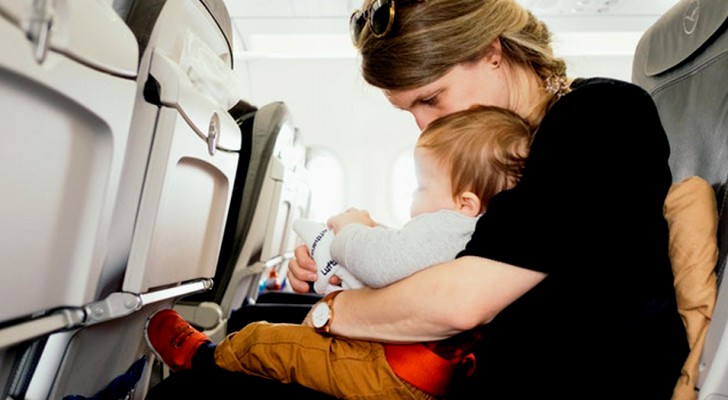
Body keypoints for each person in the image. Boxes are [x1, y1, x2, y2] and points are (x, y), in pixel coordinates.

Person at [147, 0, 689, 398]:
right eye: (410, 110)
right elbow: (470, 253)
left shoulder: (598, 119)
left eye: (431, 98)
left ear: (490, 52)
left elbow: (459, 301)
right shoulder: (500, 152)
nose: (425, 124)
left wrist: (335, 310)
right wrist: (345, 255)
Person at [145, 105, 532, 399]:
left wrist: (352, 229)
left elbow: (384, 264)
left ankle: (203, 358)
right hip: (412, 370)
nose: (414, 200)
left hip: (391, 372)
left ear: (465, 202)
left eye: (419, 189)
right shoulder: (478, 232)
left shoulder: (450, 225)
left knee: (267, 340)